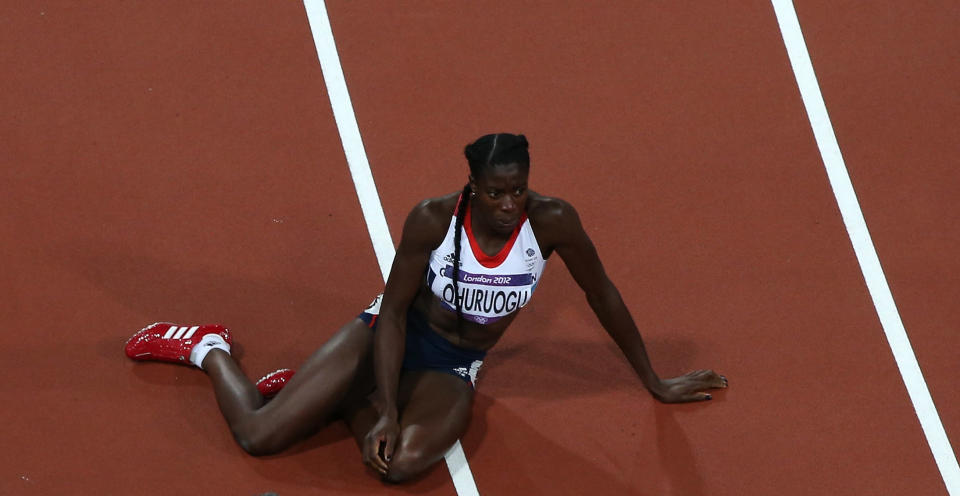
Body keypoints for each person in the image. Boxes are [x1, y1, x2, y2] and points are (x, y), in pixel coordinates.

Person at [125, 133, 727, 483]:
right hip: (388, 333)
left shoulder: (553, 222)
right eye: (495, 192)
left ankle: (337, 396)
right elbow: (391, 313)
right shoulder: (433, 220)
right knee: (259, 434)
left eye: (518, 189)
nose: (509, 204)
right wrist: (387, 409)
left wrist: (654, 380)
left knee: (399, 465)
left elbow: (604, 295)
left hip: (451, 366)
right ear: (471, 184)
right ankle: (209, 350)